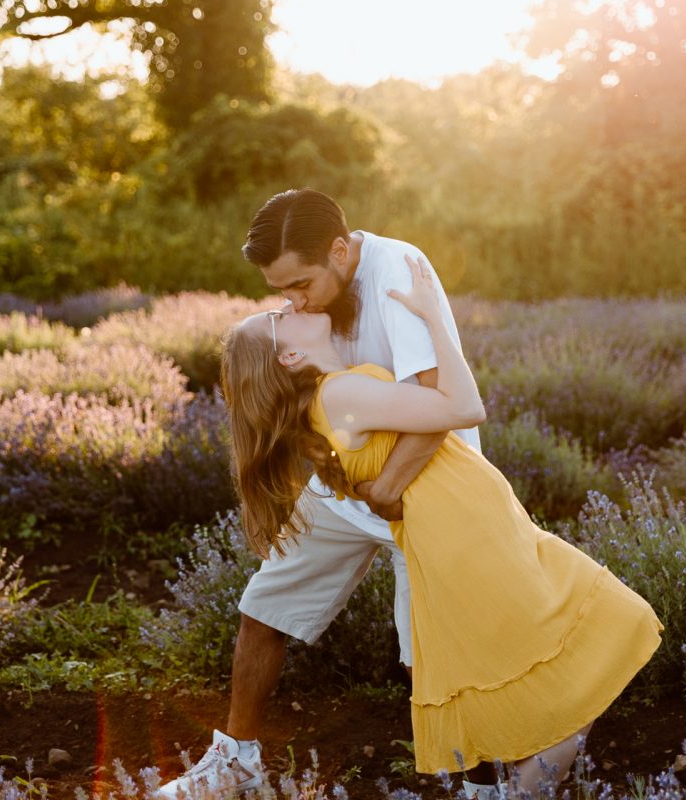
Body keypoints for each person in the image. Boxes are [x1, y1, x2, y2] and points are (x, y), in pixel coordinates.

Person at [216, 255, 663, 787]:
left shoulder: (336, 391)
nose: (287, 304)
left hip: (477, 530)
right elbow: (465, 405)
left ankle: (510, 790)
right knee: (610, 631)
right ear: (289, 354)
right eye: (275, 315)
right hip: (469, 537)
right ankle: (518, 792)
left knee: (569, 652)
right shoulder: (341, 395)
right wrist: (433, 318)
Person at [157, 189, 484, 799]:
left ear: (340, 250)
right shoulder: (314, 300)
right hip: (351, 477)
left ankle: (481, 781)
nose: (295, 301)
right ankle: (237, 765)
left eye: (301, 285)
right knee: (265, 605)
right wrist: (335, 470)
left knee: (433, 652)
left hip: (425, 481)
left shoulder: (397, 272)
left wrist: (388, 487)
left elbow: (441, 406)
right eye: (283, 293)